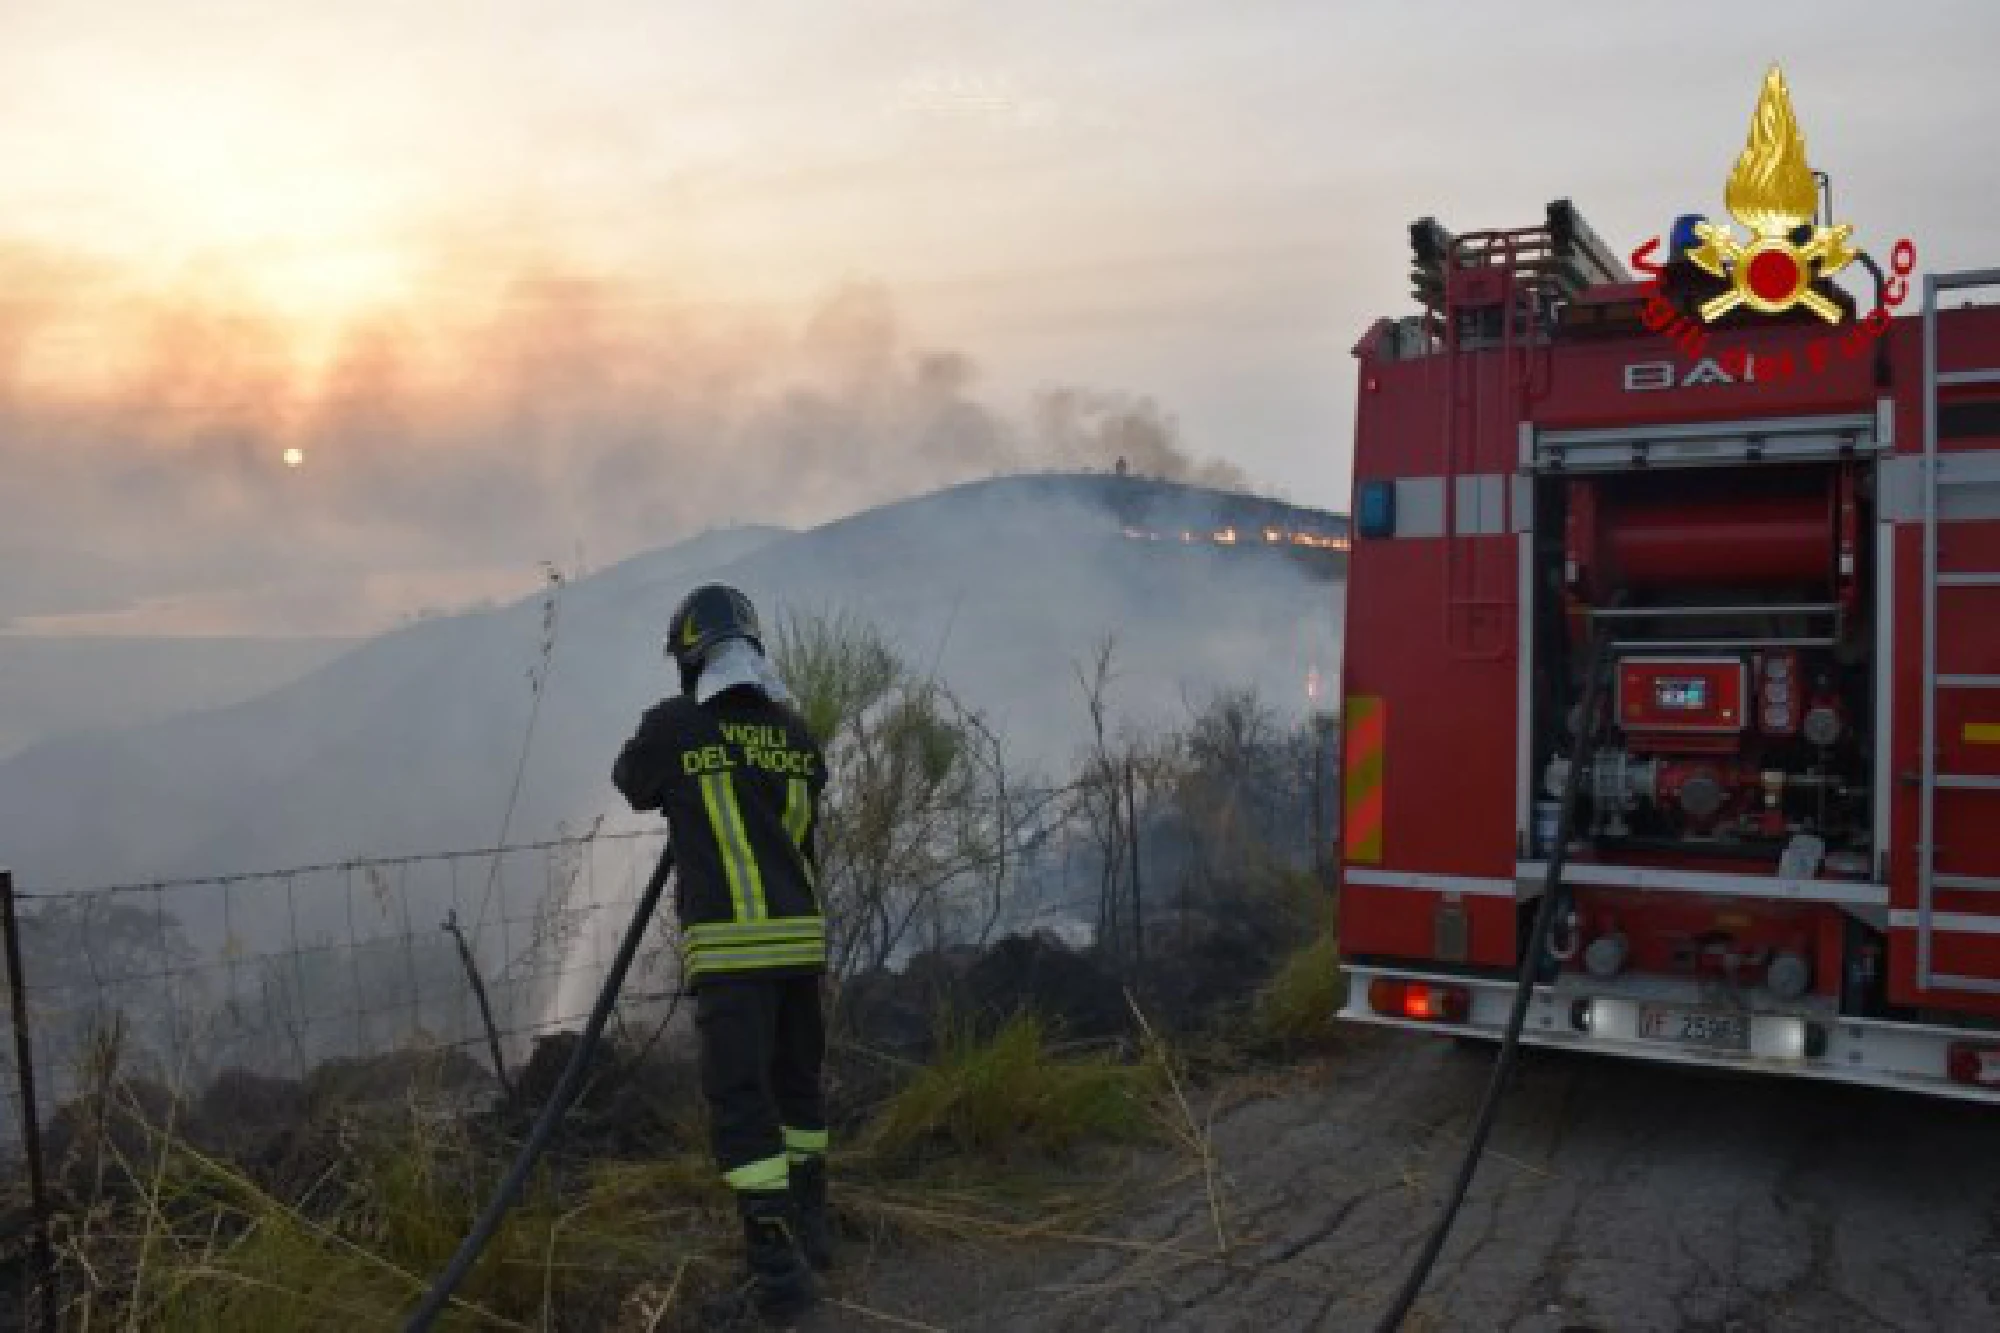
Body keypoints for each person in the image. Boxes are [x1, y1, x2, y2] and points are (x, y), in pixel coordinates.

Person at [612, 584, 833, 1326]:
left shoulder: (676, 725)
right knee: (799, 1091)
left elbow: (631, 781)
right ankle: (814, 1231)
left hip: (733, 958)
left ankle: (778, 1272)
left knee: (744, 1108)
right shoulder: (798, 734)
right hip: (802, 950)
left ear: (690, 657)